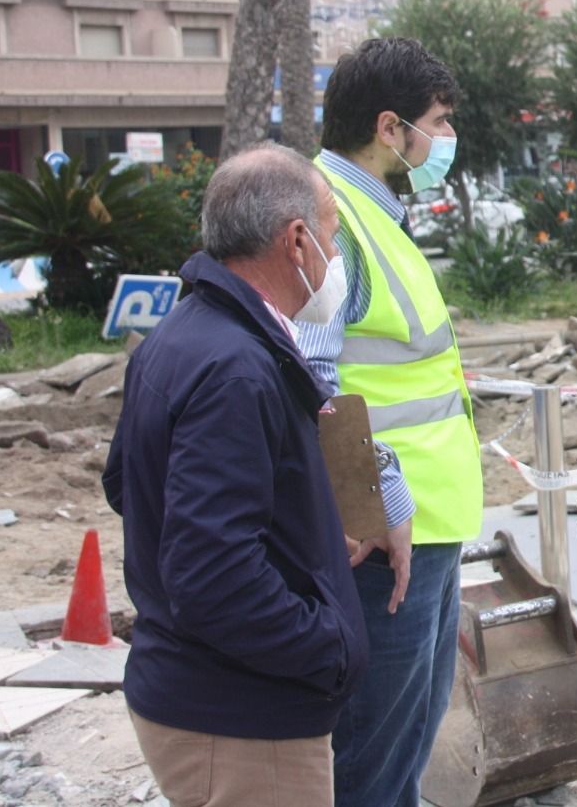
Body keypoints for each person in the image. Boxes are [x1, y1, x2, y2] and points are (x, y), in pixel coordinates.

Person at [104, 145, 369, 806]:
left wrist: (297, 539)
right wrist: (327, 644)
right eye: (334, 235)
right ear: (298, 240)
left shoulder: (189, 334)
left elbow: (128, 485)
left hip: (210, 700)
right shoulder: (235, 367)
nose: (337, 258)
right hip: (244, 722)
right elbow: (212, 576)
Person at [295, 37, 482, 807]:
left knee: (402, 745)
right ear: (388, 127)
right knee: (377, 759)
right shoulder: (329, 217)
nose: (444, 140)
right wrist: (383, 503)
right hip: (386, 539)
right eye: (436, 122)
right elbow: (308, 377)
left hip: (419, 530)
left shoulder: (370, 214)